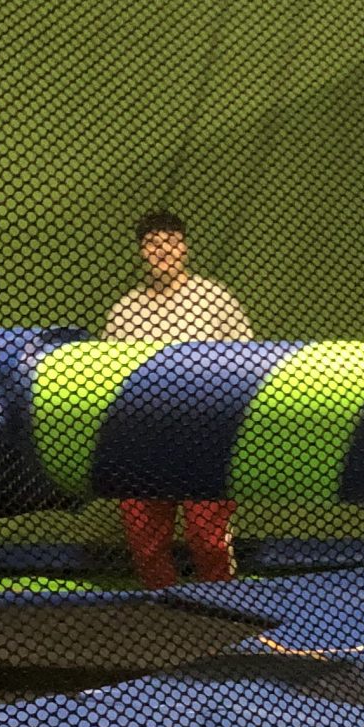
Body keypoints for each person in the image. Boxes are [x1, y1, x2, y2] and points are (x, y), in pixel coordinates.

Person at [102, 209, 253, 591]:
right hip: (145, 439)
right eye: (153, 243)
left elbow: (248, 361)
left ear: (184, 247)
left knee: (208, 538)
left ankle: (223, 603)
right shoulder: (125, 311)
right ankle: (162, 608)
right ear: (141, 251)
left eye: (170, 241)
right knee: (145, 538)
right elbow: (108, 377)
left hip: (205, 436)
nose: (162, 249)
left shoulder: (214, 299)